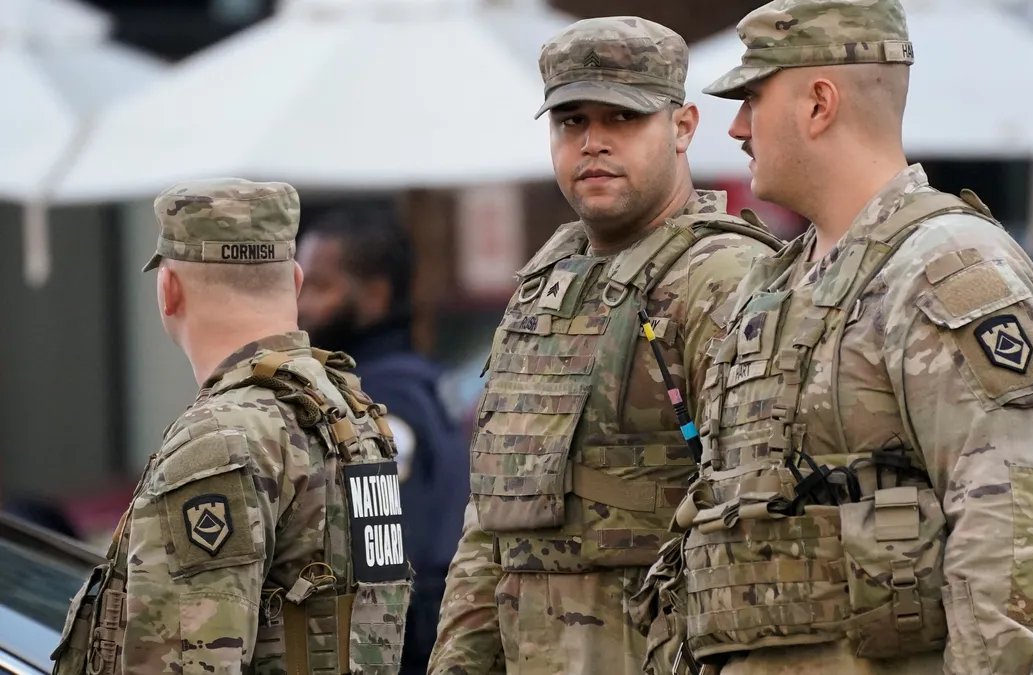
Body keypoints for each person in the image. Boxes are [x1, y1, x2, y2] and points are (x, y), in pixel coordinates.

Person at [638, 1, 1033, 673]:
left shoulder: (946, 270)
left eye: (753, 98)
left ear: (818, 103)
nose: (738, 127)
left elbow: (1013, 526)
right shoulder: (772, 283)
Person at [427, 16, 781, 675]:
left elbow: (760, 523)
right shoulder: (544, 286)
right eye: (572, 121)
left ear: (682, 128)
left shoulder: (720, 277)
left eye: (622, 117)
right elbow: (495, 518)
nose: (593, 142)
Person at [52, 179, 412, 674]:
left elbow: (188, 661)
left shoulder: (220, 440)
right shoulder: (353, 416)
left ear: (168, 290)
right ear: (297, 281)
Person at [298, 204, 467, 675]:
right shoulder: (419, 381)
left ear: (374, 294)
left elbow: (385, 560)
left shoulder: (374, 399)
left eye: (319, 285)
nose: (299, 304)